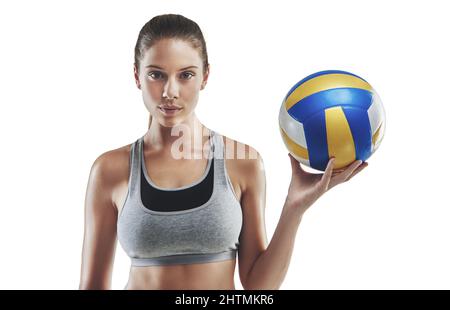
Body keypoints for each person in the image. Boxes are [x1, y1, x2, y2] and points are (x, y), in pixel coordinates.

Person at [79, 14, 368, 290]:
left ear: (205, 76)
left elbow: (258, 285)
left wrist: (295, 206)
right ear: (136, 76)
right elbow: (92, 286)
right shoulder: (110, 170)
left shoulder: (242, 162)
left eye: (186, 75)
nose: (170, 91)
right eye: (156, 74)